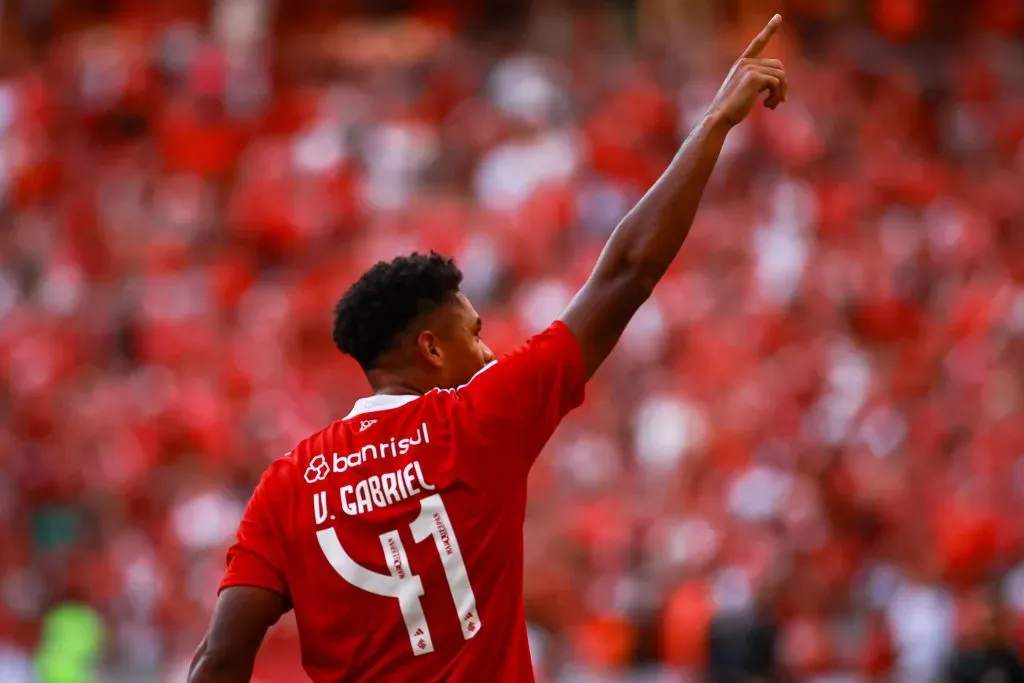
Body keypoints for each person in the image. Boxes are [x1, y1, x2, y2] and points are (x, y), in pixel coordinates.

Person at [187, 15, 788, 683]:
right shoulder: (476, 420)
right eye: (472, 333)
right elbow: (627, 273)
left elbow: (220, 658)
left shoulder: (289, 484)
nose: (489, 352)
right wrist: (714, 124)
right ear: (431, 349)